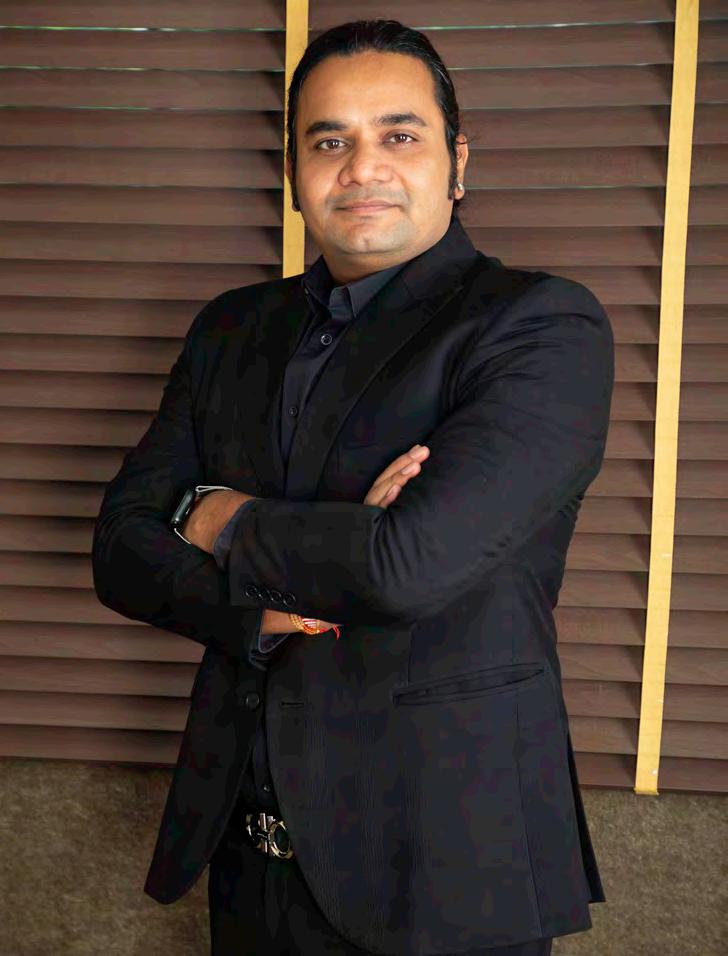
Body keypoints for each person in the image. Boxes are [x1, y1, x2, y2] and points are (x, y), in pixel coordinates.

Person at [92, 18, 613, 956]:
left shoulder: (540, 325)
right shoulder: (229, 329)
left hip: (444, 868)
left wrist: (217, 518)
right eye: (329, 141)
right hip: (246, 856)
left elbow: (404, 567)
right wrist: (264, 608)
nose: (363, 167)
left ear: (458, 162)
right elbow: (121, 547)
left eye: (399, 135)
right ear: (295, 169)